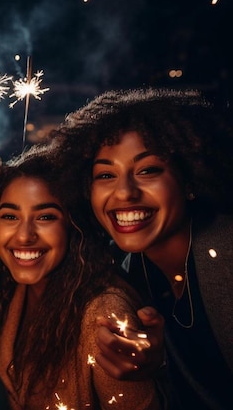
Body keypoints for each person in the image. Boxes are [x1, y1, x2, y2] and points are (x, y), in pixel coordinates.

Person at [51, 87, 233, 409]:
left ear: (189, 178)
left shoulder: (225, 252)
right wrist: (157, 364)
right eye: (105, 174)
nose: (124, 193)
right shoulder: (130, 269)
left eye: (148, 170)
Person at [0, 146, 161, 409]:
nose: (24, 235)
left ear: (73, 226)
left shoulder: (104, 315)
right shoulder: (10, 290)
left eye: (45, 217)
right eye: (10, 216)